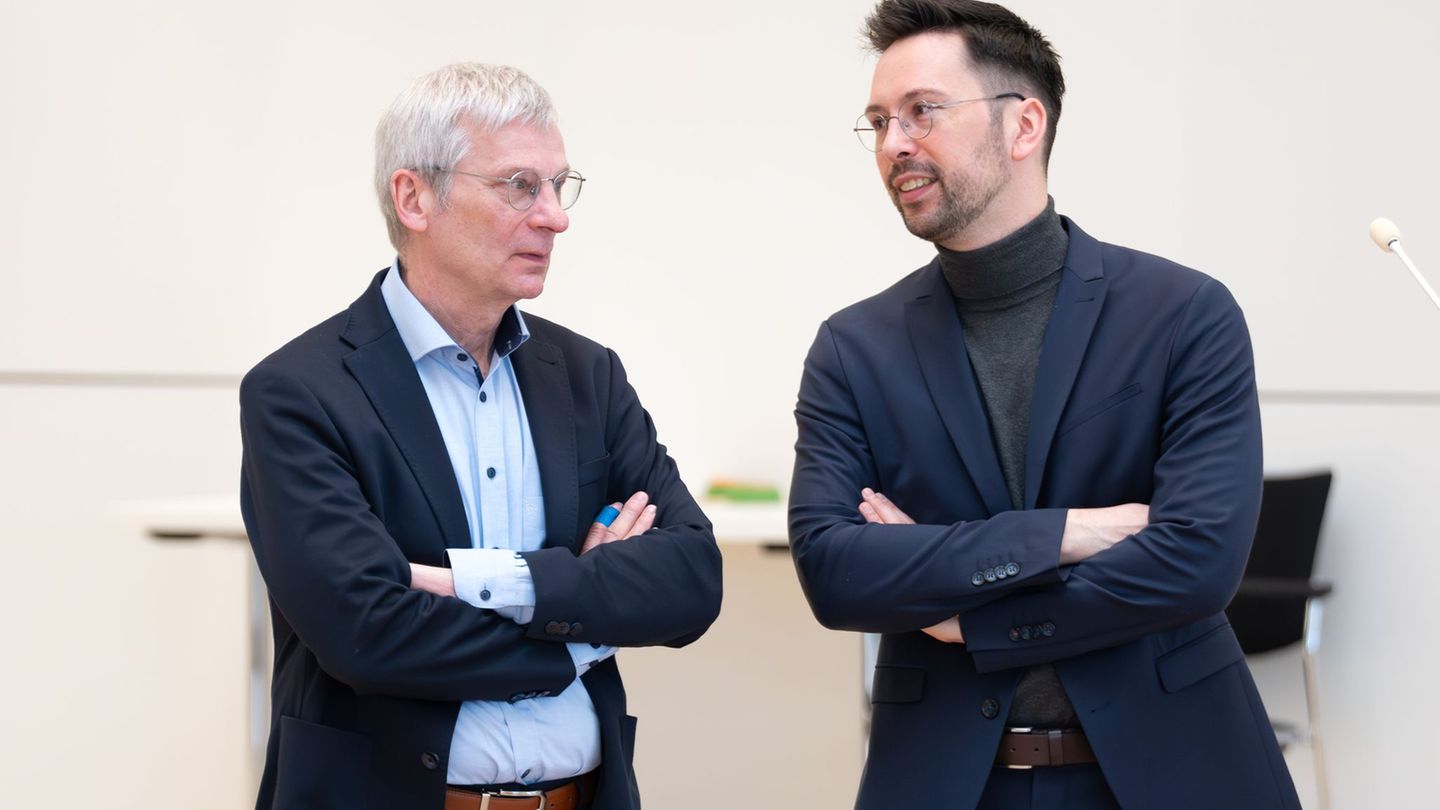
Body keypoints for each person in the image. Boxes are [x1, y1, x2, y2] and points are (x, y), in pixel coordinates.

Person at [788, 2, 1300, 808]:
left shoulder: (1182, 314)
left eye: (922, 111)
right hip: (947, 782)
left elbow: (1198, 561)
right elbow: (836, 572)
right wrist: (1070, 533)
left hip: (1175, 773)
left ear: (1023, 126)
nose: (894, 144)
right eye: (879, 122)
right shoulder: (856, 348)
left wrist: (974, 618)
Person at [239, 63, 721, 810]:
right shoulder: (301, 392)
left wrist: (498, 588)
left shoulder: (586, 376)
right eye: (519, 186)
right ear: (415, 197)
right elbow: (369, 635)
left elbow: (692, 579)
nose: (555, 216)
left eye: (560, 185)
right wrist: (583, 622)